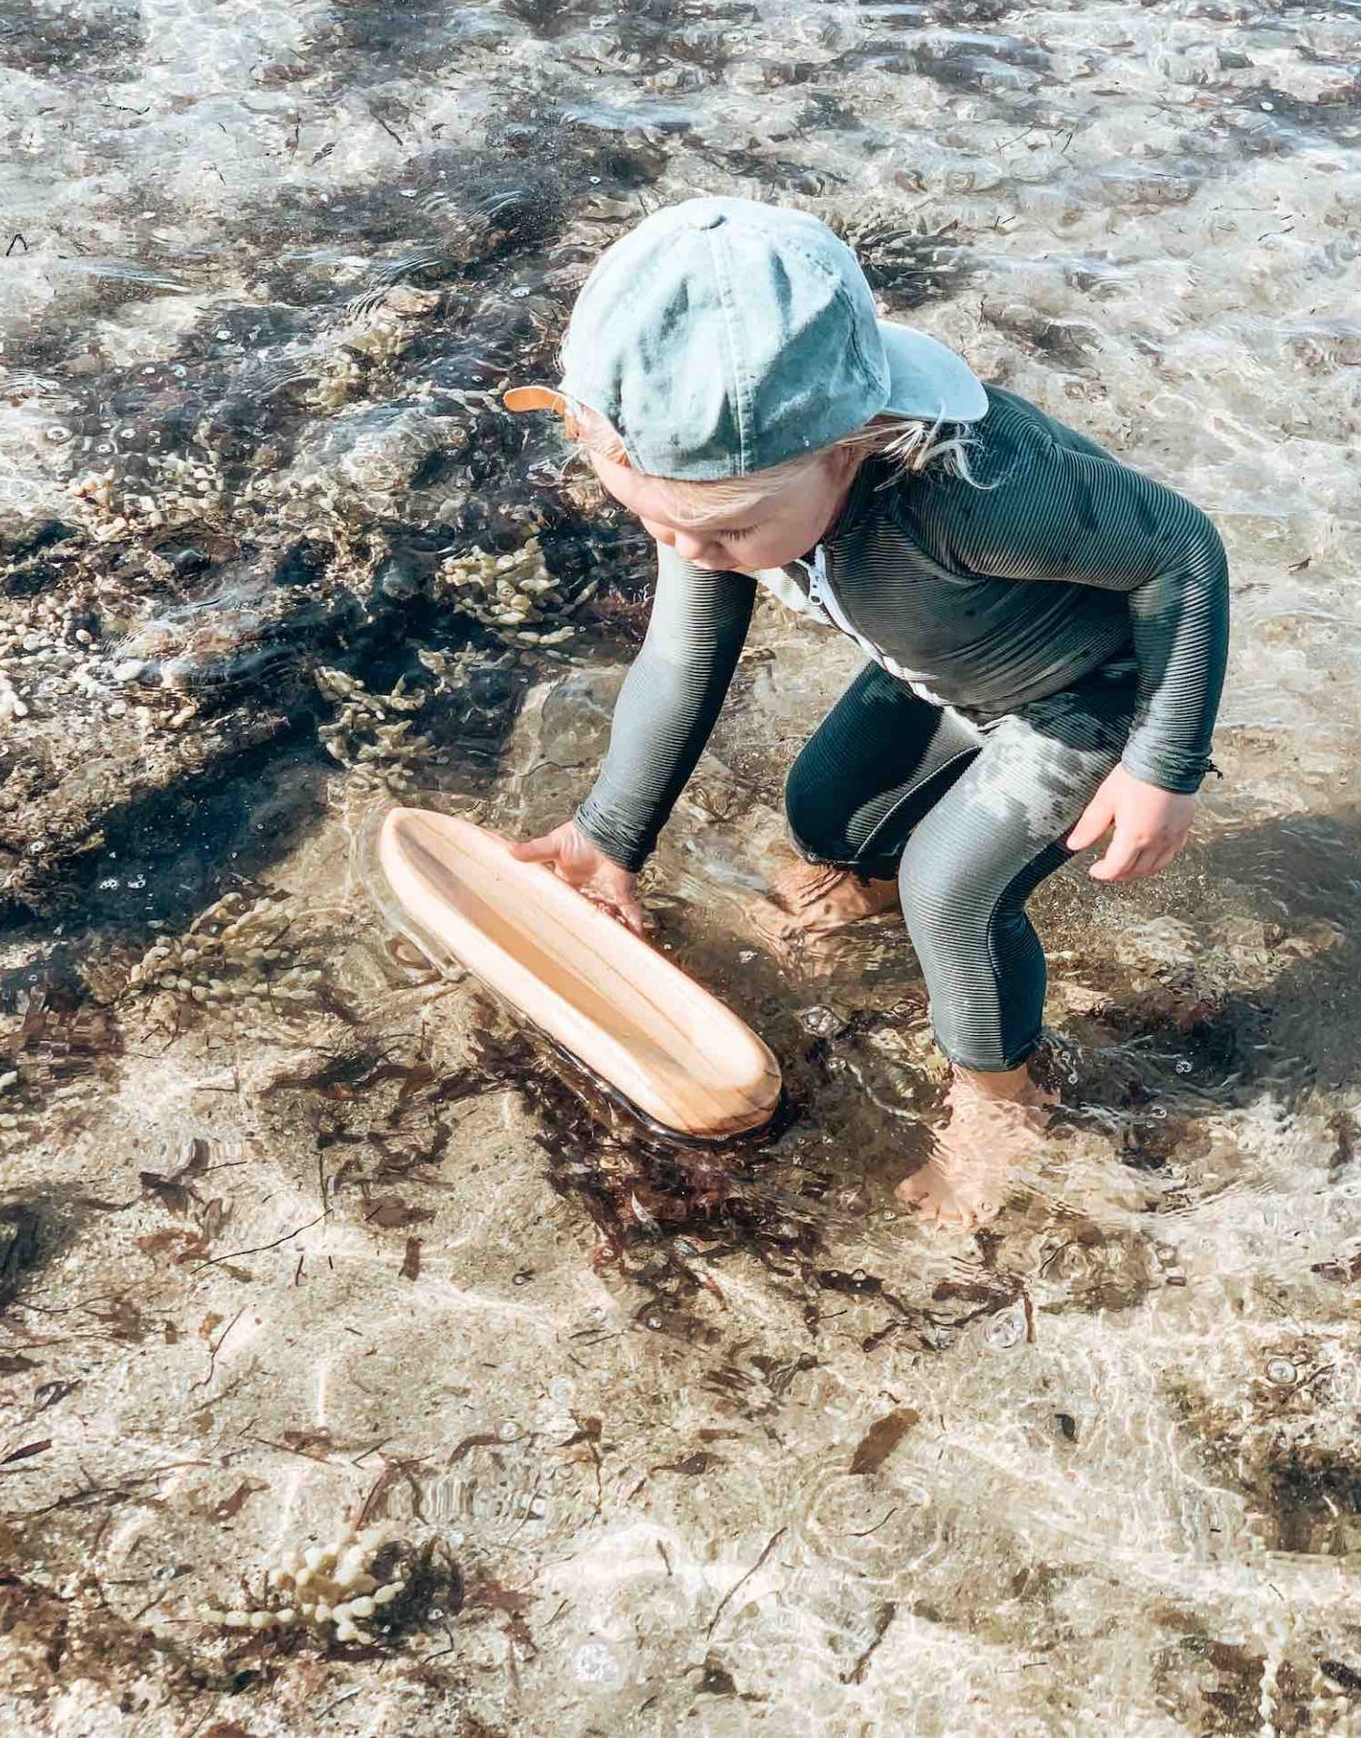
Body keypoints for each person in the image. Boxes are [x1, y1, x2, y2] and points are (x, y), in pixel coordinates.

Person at [500, 196, 1229, 1229]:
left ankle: (1004, 1098)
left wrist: (1163, 760)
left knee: (952, 890)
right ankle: (867, 892)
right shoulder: (712, 487)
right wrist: (609, 833)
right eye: (657, 522)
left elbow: (1179, 548)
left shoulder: (975, 495)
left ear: (847, 446)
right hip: (944, 663)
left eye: (725, 532)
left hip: (1086, 697)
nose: (693, 552)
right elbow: (684, 646)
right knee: (824, 813)